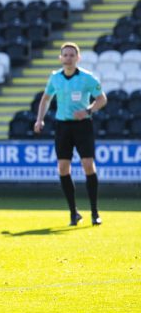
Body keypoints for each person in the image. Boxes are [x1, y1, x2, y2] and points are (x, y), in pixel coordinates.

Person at [34, 42, 107, 226]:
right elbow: (46, 99)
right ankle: (74, 213)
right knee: (63, 168)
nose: (68, 58)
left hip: (83, 126)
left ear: (78, 58)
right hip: (63, 126)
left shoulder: (87, 78)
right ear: (60, 58)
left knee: (88, 165)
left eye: (71, 55)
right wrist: (39, 119)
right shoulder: (55, 78)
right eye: (65, 55)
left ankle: (94, 212)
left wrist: (88, 110)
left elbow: (102, 99)